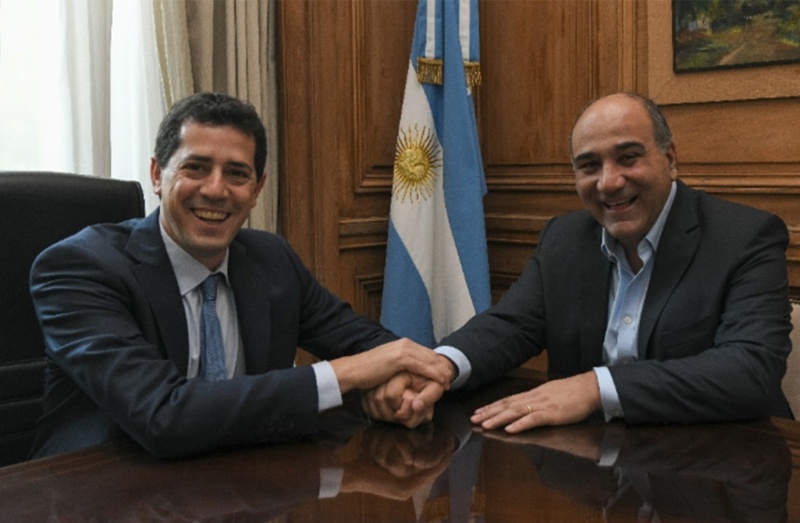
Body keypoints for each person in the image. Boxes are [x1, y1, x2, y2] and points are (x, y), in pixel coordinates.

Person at [29, 92, 450, 459]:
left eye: (237, 173)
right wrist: (352, 373)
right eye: (196, 168)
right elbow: (163, 415)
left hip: (242, 481)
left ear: (257, 188)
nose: (216, 190)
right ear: (157, 175)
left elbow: (371, 345)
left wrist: (398, 382)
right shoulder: (80, 269)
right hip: (103, 489)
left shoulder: (271, 259)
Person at [366, 92, 794, 431]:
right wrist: (440, 367)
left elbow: (749, 371)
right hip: (593, 468)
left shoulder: (745, 238)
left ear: (670, 159)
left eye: (628, 157)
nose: (609, 182)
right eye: (589, 166)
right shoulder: (564, 239)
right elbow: (511, 326)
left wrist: (594, 388)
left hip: (722, 466)